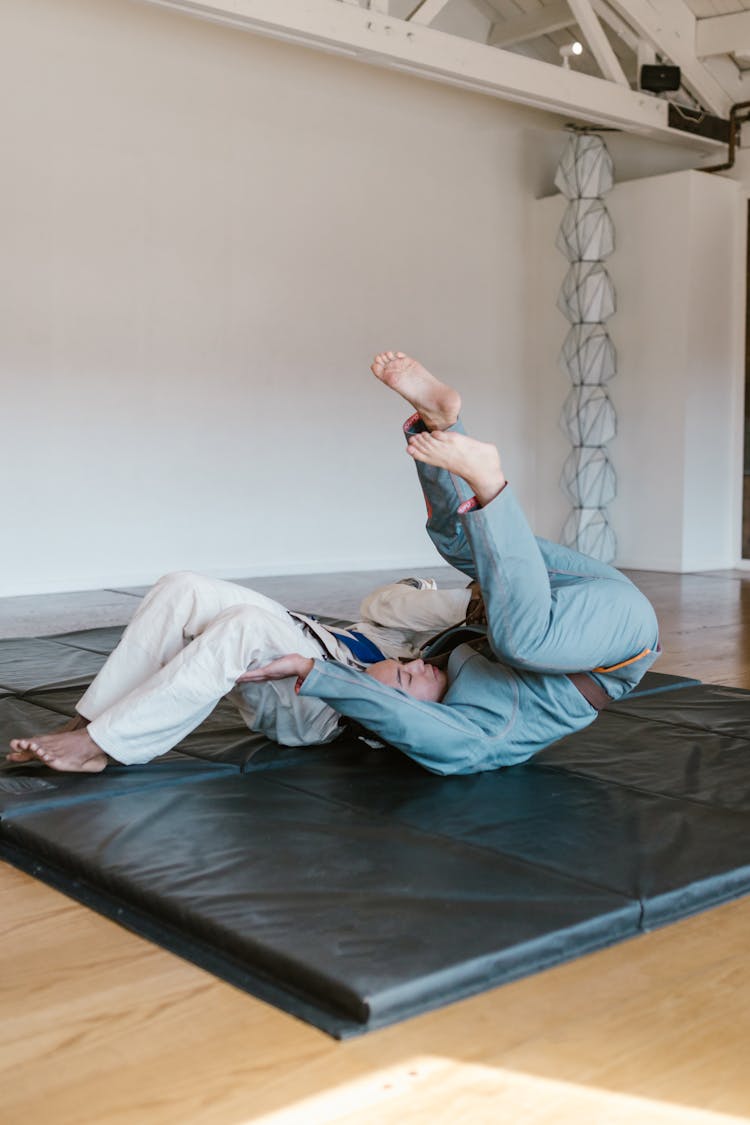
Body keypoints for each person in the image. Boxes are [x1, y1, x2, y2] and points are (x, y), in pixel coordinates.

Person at [8, 352, 659, 776]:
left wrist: (328, 675)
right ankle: (437, 432)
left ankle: (102, 740)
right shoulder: (459, 671)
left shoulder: (474, 731)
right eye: (415, 676)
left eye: (408, 680)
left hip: (580, 637)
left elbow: (432, 734)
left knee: (515, 626)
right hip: (608, 629)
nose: (418, 669)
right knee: (487, 584)